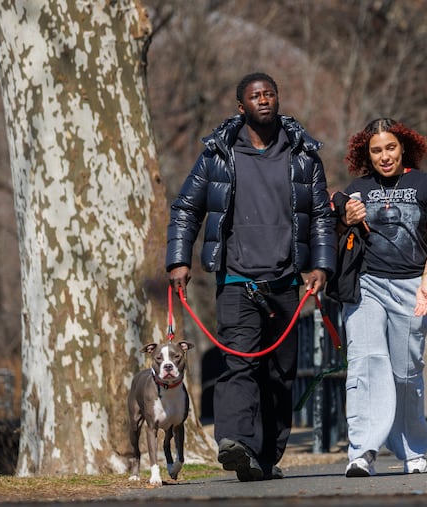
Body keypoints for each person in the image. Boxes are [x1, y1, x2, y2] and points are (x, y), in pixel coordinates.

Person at [166, 72, 336, 482]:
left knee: (280, 374)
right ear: (241, 107)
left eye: (270, 94)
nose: (264, 100)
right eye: (255, 96)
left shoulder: (304, 155)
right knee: (240, 363)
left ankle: (263, 457)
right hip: (237, 280)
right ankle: (235, 442)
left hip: (286, 281)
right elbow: (187, 208)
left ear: (277, 100)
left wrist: (321, 266)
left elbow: (321, 218)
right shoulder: (217, 155)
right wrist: (178, 260)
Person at [338, 118, 427, 477]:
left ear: (403, 146)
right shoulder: (357, 189)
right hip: (367, 284)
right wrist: (346, 217)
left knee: (406, 371)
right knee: (365, 362)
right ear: (366, 154)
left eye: (390, 147)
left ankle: (411, 449)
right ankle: (362, 451)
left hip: (411, 287)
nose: (385, 156)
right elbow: (336, 235)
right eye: (376, 150)